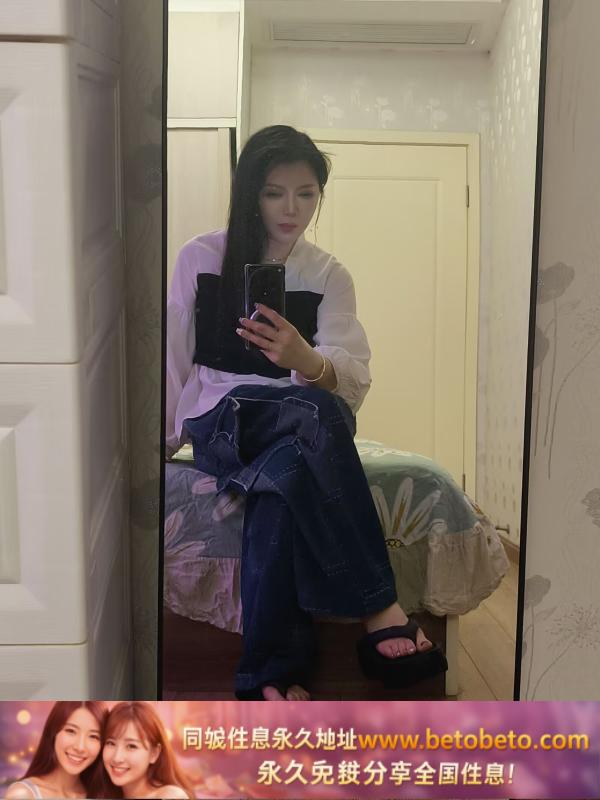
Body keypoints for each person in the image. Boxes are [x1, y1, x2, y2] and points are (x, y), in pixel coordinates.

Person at [166, 124, 447, 700]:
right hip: (222, 417)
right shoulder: (201, 256)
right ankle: (380, 608)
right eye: (274, 193)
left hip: (298, 421)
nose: (291, 209)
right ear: (250, 193)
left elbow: (351, 377)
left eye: (306, 193)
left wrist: (304, 358)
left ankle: (268, 678)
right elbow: (173, 353)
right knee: (316, 414)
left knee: (287, 477)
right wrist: (164, 439)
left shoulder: (328, 274)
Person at [5, 701, 106, 799]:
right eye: (71, 731)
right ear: (53, 733)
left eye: (93, 736)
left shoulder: (100, 794)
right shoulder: (23, 794)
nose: (80, 747)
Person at [100, 702, 194, 799]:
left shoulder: (170, 796)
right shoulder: (104, 793)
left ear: (154, 753)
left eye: (131, 746)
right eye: (110, 743)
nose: (117, 758)